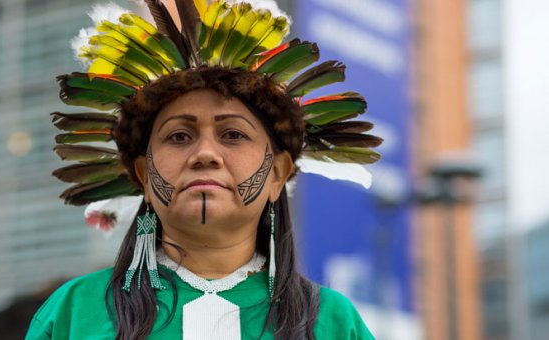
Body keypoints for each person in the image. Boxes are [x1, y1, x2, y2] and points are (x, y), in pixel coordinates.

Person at [26, 1, 381, 339]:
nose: (205, 153)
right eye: (179, 136)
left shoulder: (333, 322)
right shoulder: (74, 312)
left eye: (233, 134)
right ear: (144, 176)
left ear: (277, 174)